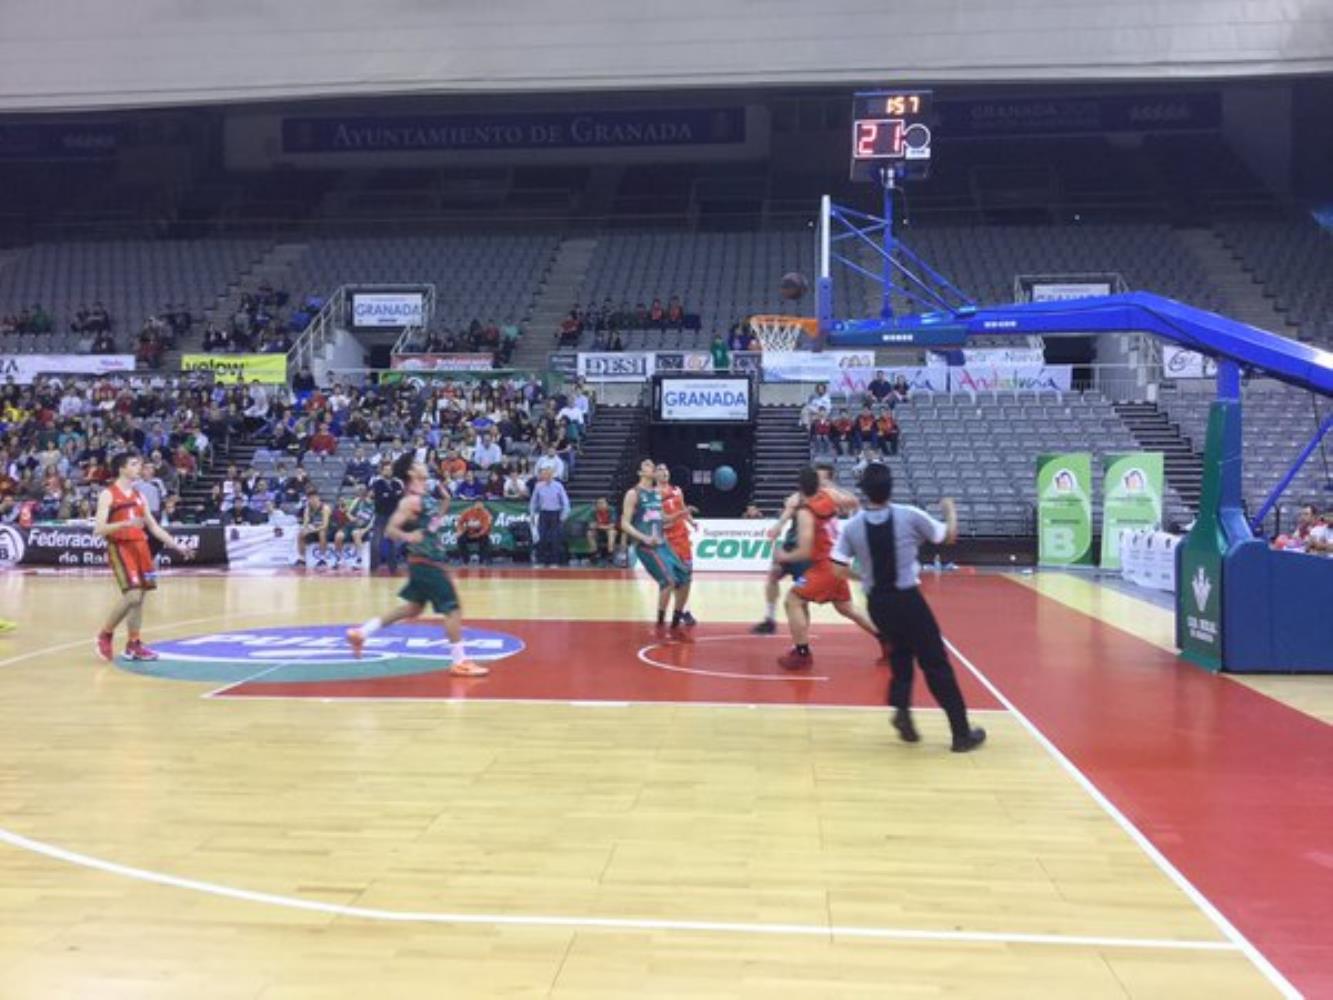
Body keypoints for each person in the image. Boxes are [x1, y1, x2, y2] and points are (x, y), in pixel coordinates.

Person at [831, 463, 986, 753]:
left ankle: (902, 710)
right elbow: (948, 536)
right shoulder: (909, 516)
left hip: (878, 603)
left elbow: (837, 568)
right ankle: (961, 733)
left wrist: (864, 576)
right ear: (892, 488)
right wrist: (950, 510)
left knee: (901, 658)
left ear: (864, 493)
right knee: (935, 663)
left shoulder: (852, 526)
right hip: (907, 600)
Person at [346, 455, 487, 677]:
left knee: (412, 608)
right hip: (426, 562)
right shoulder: (410, 501)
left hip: (428, 561)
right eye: (419, 464)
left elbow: (430, 526)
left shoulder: (425, 497)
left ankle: (362, 633)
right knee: (452, 609)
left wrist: (445, 504)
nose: (424, 466)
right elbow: (390, 530)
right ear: (412, 473)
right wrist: (408, 536)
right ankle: (459, 661)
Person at [773, 466, 882, 670]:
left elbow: (804, 551)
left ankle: (802, 654)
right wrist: (832, 489)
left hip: (824, 566)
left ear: (801, 488)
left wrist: (783, 555)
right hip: (838, 561)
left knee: (793, 600)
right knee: (846, 609)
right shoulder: (830, 495)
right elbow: (854, 502)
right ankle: (886, 640)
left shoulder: (807, 511)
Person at [93, 451, 193, 663]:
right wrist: (124, 524)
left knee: (140, 599)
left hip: (141, 547)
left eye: (139, 464)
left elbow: (153, 527)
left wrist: (177, 546)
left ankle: (134, 644)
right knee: (133, 596)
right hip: (121, 546)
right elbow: (99, 529)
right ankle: (105, 634)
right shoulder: (108, 494)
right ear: (122, 468)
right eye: (134, 464)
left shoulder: (140, 496)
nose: (139, 468)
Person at [620, 458, 691, 633]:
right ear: (640, 472)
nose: (651, 467)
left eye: (652, 465)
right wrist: (643, 537)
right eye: (647, 465)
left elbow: (663, 518)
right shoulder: (633, 493)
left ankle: (677, 616)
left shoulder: (656, 493)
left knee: (685, 576)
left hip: (662, 543)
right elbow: (624, 523)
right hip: (645, 546)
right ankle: (660, 622)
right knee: (668, 581)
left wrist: (681, 513)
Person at [655, 463, 697, 627]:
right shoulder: (652, 495)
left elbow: (683, 508)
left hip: (683, 541)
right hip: (667, 542)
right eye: (660, 470)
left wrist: (692, 522)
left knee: (686, 578)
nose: (664, 472)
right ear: (655, 475)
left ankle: (683, 611)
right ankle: (663, 616)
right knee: (670, 580)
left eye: (666, 469)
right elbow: (661, 519)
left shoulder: (677, 490)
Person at [529, 466, 570, 567]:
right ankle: (540, 560)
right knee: (541, 537)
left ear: (552, 475)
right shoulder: (538, 486)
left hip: (555, 514)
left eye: (548, 474)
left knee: (555, 538)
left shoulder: (558, 486)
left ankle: (554, 561)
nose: (546, 475)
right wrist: (532, 514)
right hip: (543, 513)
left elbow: (565, 502)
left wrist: (564, 515)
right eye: (544, 474)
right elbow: (533, 501)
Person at [369, 460, 405, 573]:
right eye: (386, 469)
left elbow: (400, 498)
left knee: (393, 543)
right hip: (380, 515)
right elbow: (378, 499)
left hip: (393, 516)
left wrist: (387, 495)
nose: (388, 471)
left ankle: (393, 568)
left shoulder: (397, 483)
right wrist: (392, 495)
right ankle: (374, 566)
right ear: (382, 471)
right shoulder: (377, 483)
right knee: (376, 542)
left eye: (390, 469)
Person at [332, 485, 374, 567]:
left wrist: (365, 530)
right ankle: (339, 559)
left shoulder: (375, 506)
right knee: (338, 536)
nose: (360, 493)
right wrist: (345, 511)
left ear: (367, 493)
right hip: (350, 526)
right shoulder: (357, 501)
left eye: (362, 491)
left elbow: (372, 522)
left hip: (362, 528)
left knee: (355, 533)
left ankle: (359, 560)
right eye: (359, 492)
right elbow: (349, 514)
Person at [295, 490, 332, 568]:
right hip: (314, 529)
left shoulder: (325, 508)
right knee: (300, 533)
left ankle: (323, 559)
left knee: (322, 533)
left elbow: (325, 525)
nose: (312, 500)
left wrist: (312, 530)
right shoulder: (308, 509)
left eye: (314, 498)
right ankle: (302, 559)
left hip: (328, 530)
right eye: (310, 498)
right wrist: (305, 529)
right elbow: (305, 523)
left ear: (318, 498)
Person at [456, 499, 494, 564]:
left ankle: (483, 559)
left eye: (480, 504)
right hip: (469, 531)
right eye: (477, 504)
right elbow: (460, 522)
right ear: (474, 505)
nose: (479, 506)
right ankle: (465, 559)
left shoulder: (485, 514)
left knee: (486, 540)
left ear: (483, 505)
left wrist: (476, 535)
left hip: (480, 533)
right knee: (460, 539)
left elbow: (485, 528)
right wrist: (460, 530)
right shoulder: (467, 512)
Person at [586, 496, 619, 565]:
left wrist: (598, 526)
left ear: (607, 504)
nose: (600, 504)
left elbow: (612, 526)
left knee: (611, 532)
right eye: (598, 503)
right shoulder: (593, 511)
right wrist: (604, 527)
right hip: (598, 532)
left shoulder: (612, 510)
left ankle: (610, 554)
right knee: (590, 533)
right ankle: (594, 554)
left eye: (602, 503)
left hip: (609, 531)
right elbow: (591, 525)